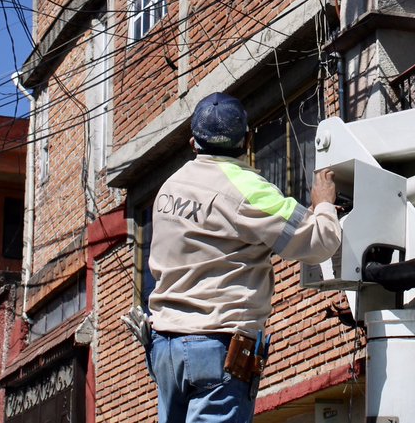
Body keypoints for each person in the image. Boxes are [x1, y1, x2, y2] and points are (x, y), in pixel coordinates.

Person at [146, 92, 341, 423]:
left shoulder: (169, 188)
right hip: (215, 347)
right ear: (247, 140)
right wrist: (323, 204)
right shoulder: (249, 189)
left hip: (165, 348)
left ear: (193, 142)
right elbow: (319, 241)